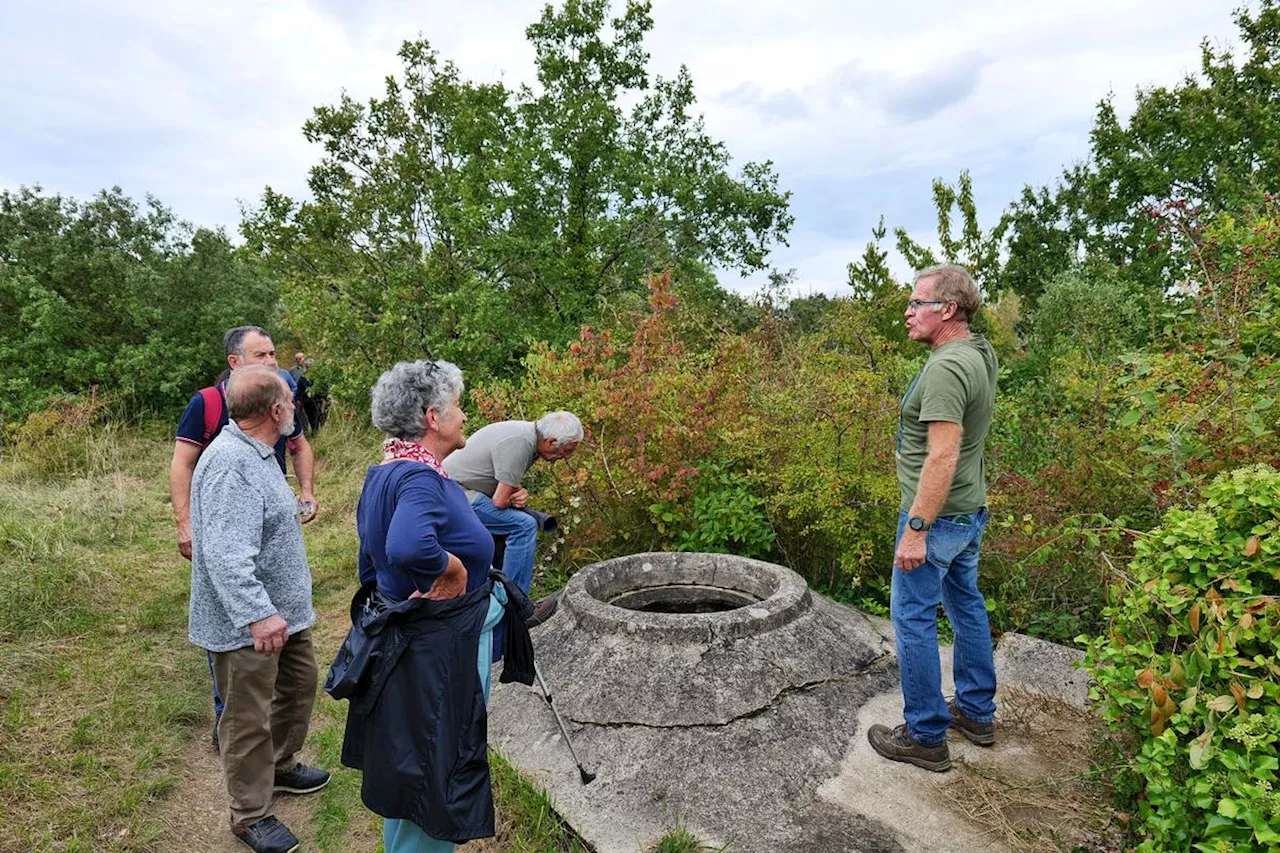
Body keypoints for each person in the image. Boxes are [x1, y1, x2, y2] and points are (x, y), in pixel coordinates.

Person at [344, 360, 523, 852]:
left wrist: (392, 602)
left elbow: (370, 559)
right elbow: (406, 545)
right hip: (439, 651)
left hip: (415, 642)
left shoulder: (387, 473)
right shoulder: (421, 479)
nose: (464, 416)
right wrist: (451, 570)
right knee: (435, 767)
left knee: (410, 764)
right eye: (458, 407)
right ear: (432, 417)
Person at [188, 366, 329, 853]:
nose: (295, 407)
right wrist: (257, 614)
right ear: (275, 410)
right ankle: (250, 814)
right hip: (249, 623)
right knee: (247, 717)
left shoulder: (259, 452)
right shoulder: (231, 463)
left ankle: (281, 767)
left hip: (285, 613)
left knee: (298, 687)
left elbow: (255, 525)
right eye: (290, 400)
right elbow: (226, 554)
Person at [867, 263, 1000, 773]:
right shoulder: (978, 353)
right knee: (966, 605)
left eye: (917, 302)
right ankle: (975, 712)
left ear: (947, 309)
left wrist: (916, 529)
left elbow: (943, 454)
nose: (907, 311)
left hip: (938, 518)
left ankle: (925, 735)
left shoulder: (945, 368)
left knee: (913, 618)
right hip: (969, 512)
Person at [170, 325, 319, 752]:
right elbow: (185, 468)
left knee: (292, 688)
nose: (273, 361)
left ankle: (277, 766)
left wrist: (304, 492)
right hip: (248, 604)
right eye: (262, 355)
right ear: (235, 363)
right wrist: (186, 524)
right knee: (243, 702)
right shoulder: (218, 429)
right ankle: (249, 796)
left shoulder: (259, 443)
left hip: (275, 590)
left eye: (274, 353)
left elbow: (299, 446)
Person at [442, 412, 582, 613]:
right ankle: (515, 608)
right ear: (551, 442)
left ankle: (499, 598)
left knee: (516, 522)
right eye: (567, 450)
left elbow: (499, 484)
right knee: (523, 526)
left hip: (460, 489)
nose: (566, 457)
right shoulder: (520, 444)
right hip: (453, 493)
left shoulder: (527, 435)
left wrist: (517, 492)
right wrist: (512, 495)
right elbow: (500, 501)